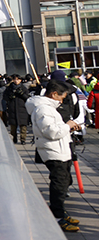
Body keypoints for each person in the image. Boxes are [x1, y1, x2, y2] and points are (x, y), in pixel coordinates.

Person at [26, 80, 82, 232]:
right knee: (59, 184)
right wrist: (68, 125)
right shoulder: (43, 109)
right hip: (54, 152)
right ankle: (57, 216)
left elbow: (54, 129)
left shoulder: (48, 108)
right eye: (62, 97)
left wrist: (68, 127)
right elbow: (51, 132)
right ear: (54, 94)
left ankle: (60, 211)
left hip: (60, 150)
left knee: (64, 182)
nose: (62, 101)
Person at [4, 74, 30, 144]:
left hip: (22, 109)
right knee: (13, 126)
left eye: (18, 79)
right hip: (12, 109)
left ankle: (23, 139)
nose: (16, 81)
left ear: (20, 80)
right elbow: (5, 97)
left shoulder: (24, 88)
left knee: (23, 126)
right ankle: (14, 137)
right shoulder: (9, 88)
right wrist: (10, 97)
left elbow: (27, 98)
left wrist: (22, 94)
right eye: (15, 79)